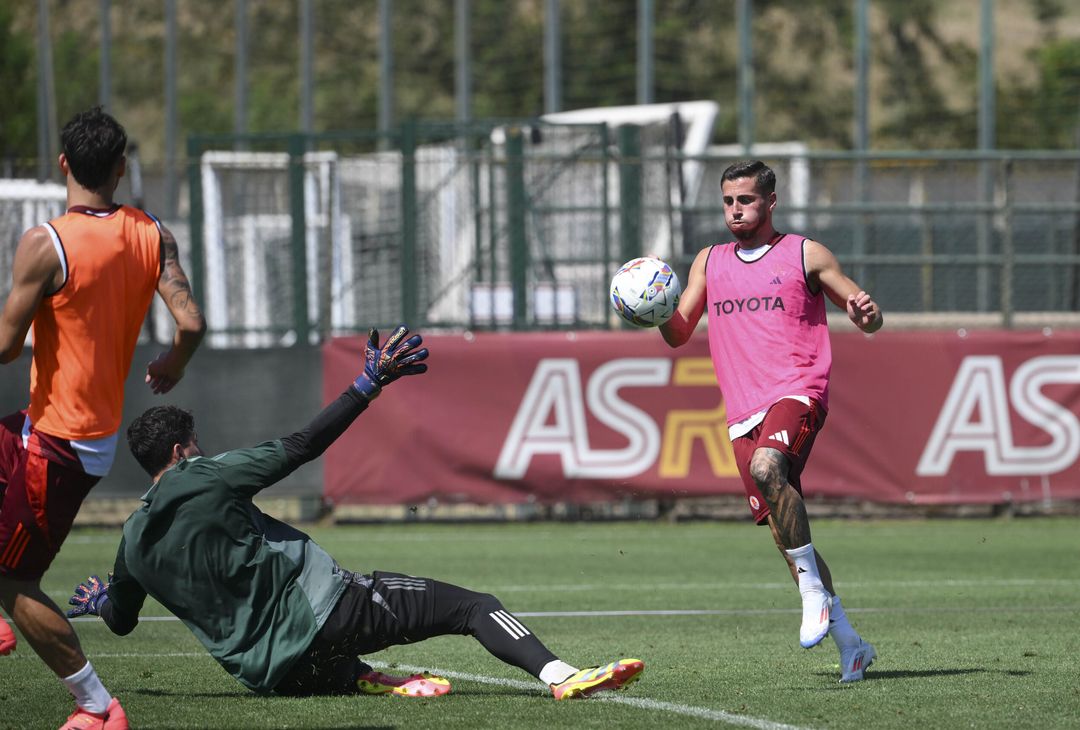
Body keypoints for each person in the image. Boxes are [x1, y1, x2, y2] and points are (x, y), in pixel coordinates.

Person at [66, 325, 644, 703]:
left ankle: (363, 678)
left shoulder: (133, 539)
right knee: (474, 607)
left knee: (334, 664)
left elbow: (121, 619)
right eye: (197, 443)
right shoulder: (205, 475)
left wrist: (100, 601)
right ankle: (562, 676)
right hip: (326, 616)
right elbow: (301, 446)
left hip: (271, 676)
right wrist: (367, 385)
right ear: (179, 451)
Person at [0, 107, 206, 729]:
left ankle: (97, 708)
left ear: (64, 164)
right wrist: (172, 361)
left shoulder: (46, 242)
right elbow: (192, 323)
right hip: (58, 427)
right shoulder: (151, 231)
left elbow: (7, 347)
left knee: (15, 582)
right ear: (121, 168)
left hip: (61, 444)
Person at [659, 160, 881, 683]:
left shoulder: (805, 253)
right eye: (729, 201)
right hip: (742, 410)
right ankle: (851, 644)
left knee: (767, 468)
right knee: (787, 536)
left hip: (799, 391)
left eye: (747, 200)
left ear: (770, 201)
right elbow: (678, 332)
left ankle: (811, 596)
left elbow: (861, 308)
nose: (736, 210)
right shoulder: (709, 262)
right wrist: (651, 309)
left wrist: (866, 313)